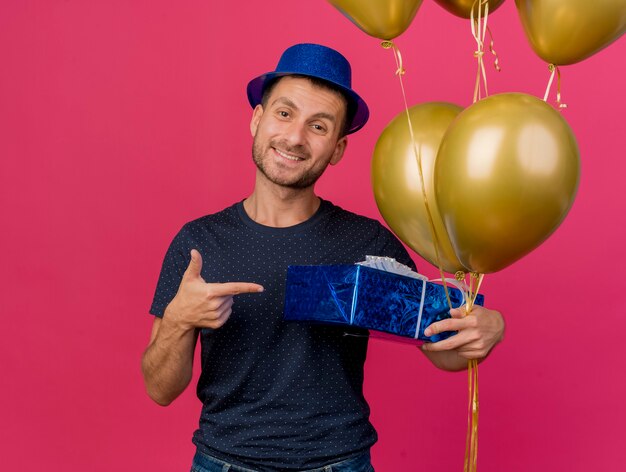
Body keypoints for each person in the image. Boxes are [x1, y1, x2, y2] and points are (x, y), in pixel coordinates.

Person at [142, 43, 505, 472]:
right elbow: (159, 388)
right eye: (283, 113)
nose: (294, 137)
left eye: (318, 126)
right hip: (222, 462)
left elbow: (441, 347)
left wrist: (487, 329)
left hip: (340, 463)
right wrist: (180, 320)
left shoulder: (367, 241)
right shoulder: (199, 242)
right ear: (257, 120)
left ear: (337, 148)